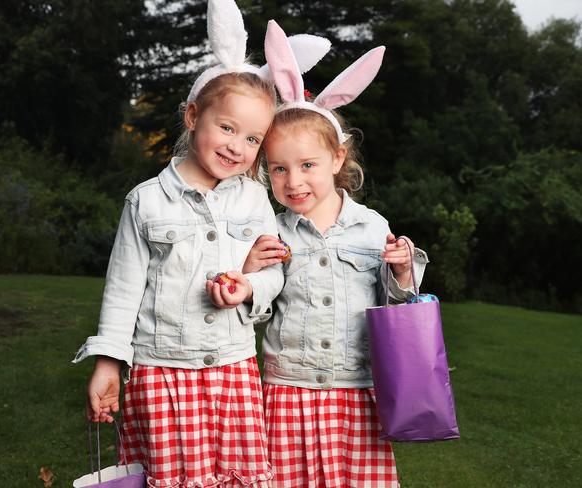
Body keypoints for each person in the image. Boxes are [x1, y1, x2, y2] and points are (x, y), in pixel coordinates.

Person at [71, 2, 294, 486]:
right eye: (228, 127)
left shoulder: (256, 200)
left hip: (233, 368)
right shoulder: (146, 202)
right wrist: (108, 363)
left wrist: (250, 285)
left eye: (253, 139)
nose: (238, 146)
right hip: (161, 370)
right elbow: (123, 291)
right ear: (194, 116)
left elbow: (275, 271)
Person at [242, 21, 429, 487]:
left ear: (338, 159)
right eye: (278, 169)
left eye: (308, 166)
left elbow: (396, 310)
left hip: (357, 391)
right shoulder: (272, 230)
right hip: (289, 390)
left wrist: (404, 272)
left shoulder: (372, 228)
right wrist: (250, 273)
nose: (293, 182)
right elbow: (259, 309)